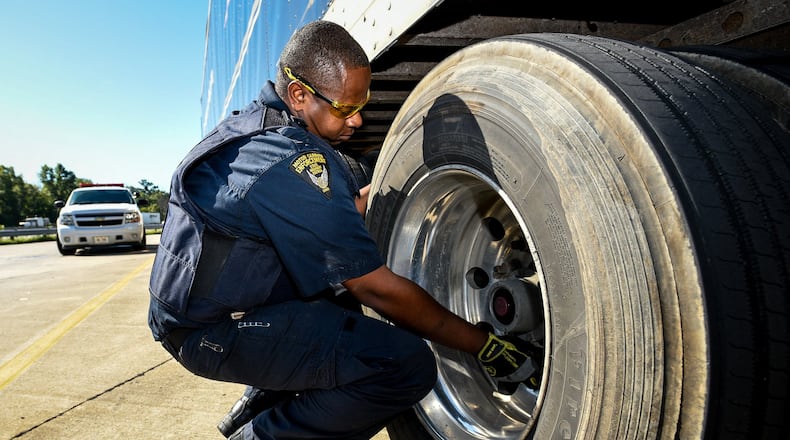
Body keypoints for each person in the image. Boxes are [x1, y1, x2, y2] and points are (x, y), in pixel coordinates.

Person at [147, 20, 537, 440]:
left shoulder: (260, 129)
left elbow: (296, 224)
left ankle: (268, 394)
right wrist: (483, 344)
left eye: (362, 103)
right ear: (299, 94)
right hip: (212, 333)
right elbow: (377, 289)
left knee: (339, 304)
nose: (357, 120)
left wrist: (359, 200)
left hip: (222, 309)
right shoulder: (284, 160)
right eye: (344, 108)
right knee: (402, 364)